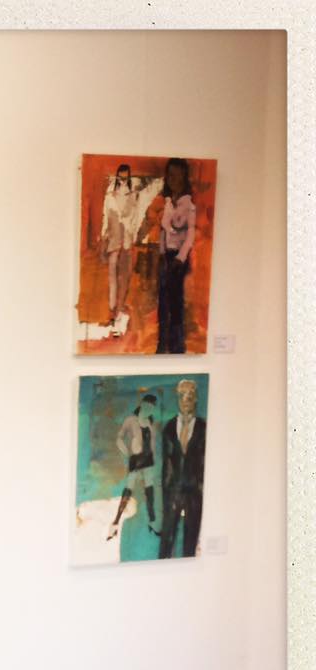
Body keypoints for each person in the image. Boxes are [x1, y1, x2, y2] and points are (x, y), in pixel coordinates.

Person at [159, 379, 206, 558]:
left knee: (190, 544)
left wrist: (200, 489)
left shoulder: (203, 428)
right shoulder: (169, 428)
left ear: (196, 398)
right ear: (178, 399)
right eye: (182, 396)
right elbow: (167, 465)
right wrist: (167, 495)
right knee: (167, 541)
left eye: (190, 395)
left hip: (195, 493)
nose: (186, 400)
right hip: (173, 492)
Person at [107, 393, 160, 541]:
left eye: (153, 407)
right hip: (136, 460)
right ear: (142, 404)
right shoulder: (131, 420)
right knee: (128, 491)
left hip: (149, 461)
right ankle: (115, 523)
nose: (150, 408)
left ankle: (152, 523)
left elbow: (152, 444)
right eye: (148, 405)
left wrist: (154, 459)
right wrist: (126, 453)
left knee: (149, 492)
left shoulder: (150, 422)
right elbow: (119, 438)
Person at [156, 158, 196, 354]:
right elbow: (163, 231)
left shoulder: (188, 206)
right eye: (170, 175)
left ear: (183, 177)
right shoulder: (168, 203)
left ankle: (176, 346)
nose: (173, 179)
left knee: (175, 302)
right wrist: (161, 253)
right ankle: (162, 344)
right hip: (166, 256)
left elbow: (190, 236)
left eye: (177, 175)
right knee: (163, 301)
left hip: (178, 259)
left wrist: (180, 259)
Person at [99, 163, 137, 325]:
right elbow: (105, 220)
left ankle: (119, 307)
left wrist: (131, 235)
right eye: (120, 178)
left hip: (126, 241)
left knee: (124, 277)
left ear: (128, 178)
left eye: (125, 178)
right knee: (112, 276)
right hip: (114, 240)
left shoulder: (133, 196)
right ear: (117, 177)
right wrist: (103, 238)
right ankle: (112, 308)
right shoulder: (110, 197)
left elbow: (134, 220)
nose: (122, 181)